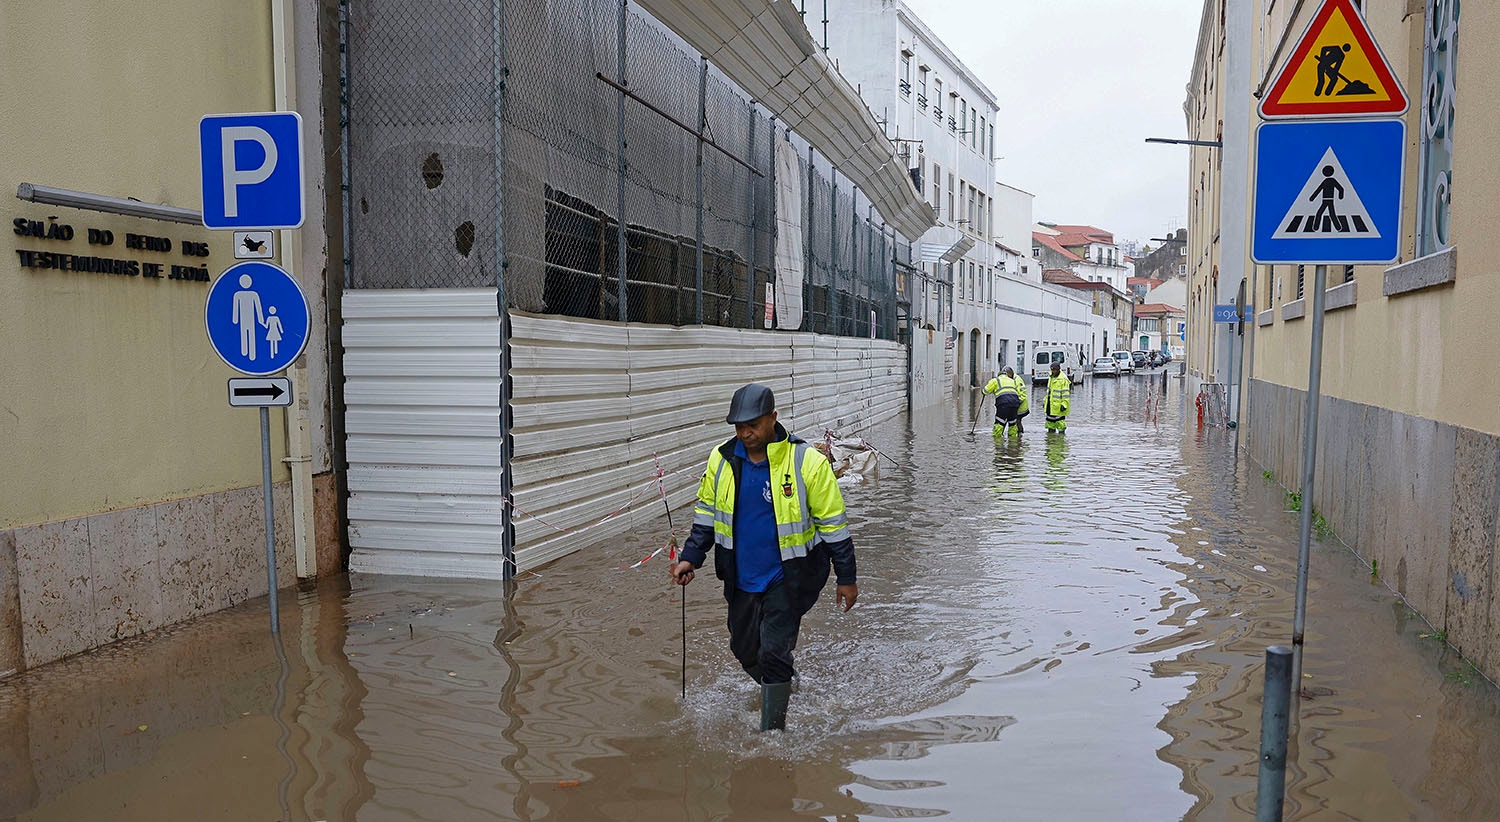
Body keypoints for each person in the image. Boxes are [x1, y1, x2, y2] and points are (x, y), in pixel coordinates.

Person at [670, 383, 858, 731]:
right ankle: (785, 682)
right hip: (740, 577)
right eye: (739, 427)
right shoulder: (722, 459)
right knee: (744, 651)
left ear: (773, 418)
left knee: (772, 652)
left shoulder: (807, 462)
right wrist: (691, 556)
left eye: (752, 425)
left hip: (788, 578)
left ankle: (773, 734)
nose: (745, 434)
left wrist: (846, 578)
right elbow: (707, 513)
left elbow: (834, 526)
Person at [981, 367, 1028, 435]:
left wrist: (983, 392)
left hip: (1003, 404)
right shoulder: (1012, 380)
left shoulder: (996, 380)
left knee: (999, 423)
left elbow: (985, 391)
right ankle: (1013, 442)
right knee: (1012, 424)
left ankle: (997, 442)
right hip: (1015, 404)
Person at [1043, 362, 1071, 433]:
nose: (1053, 371)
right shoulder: (1051, 377)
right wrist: (1045, 402)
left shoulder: (1063, 379)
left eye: (1054, 370)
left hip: (1059, 407)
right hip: (1050, 405)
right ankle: (1051, 441)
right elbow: (1049, 392)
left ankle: (1061, 441)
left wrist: (1064, 404)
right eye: (1052, 370)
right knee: (1050, 424)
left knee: (1060, 424)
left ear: (1058, 369)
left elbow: (1066, 394)